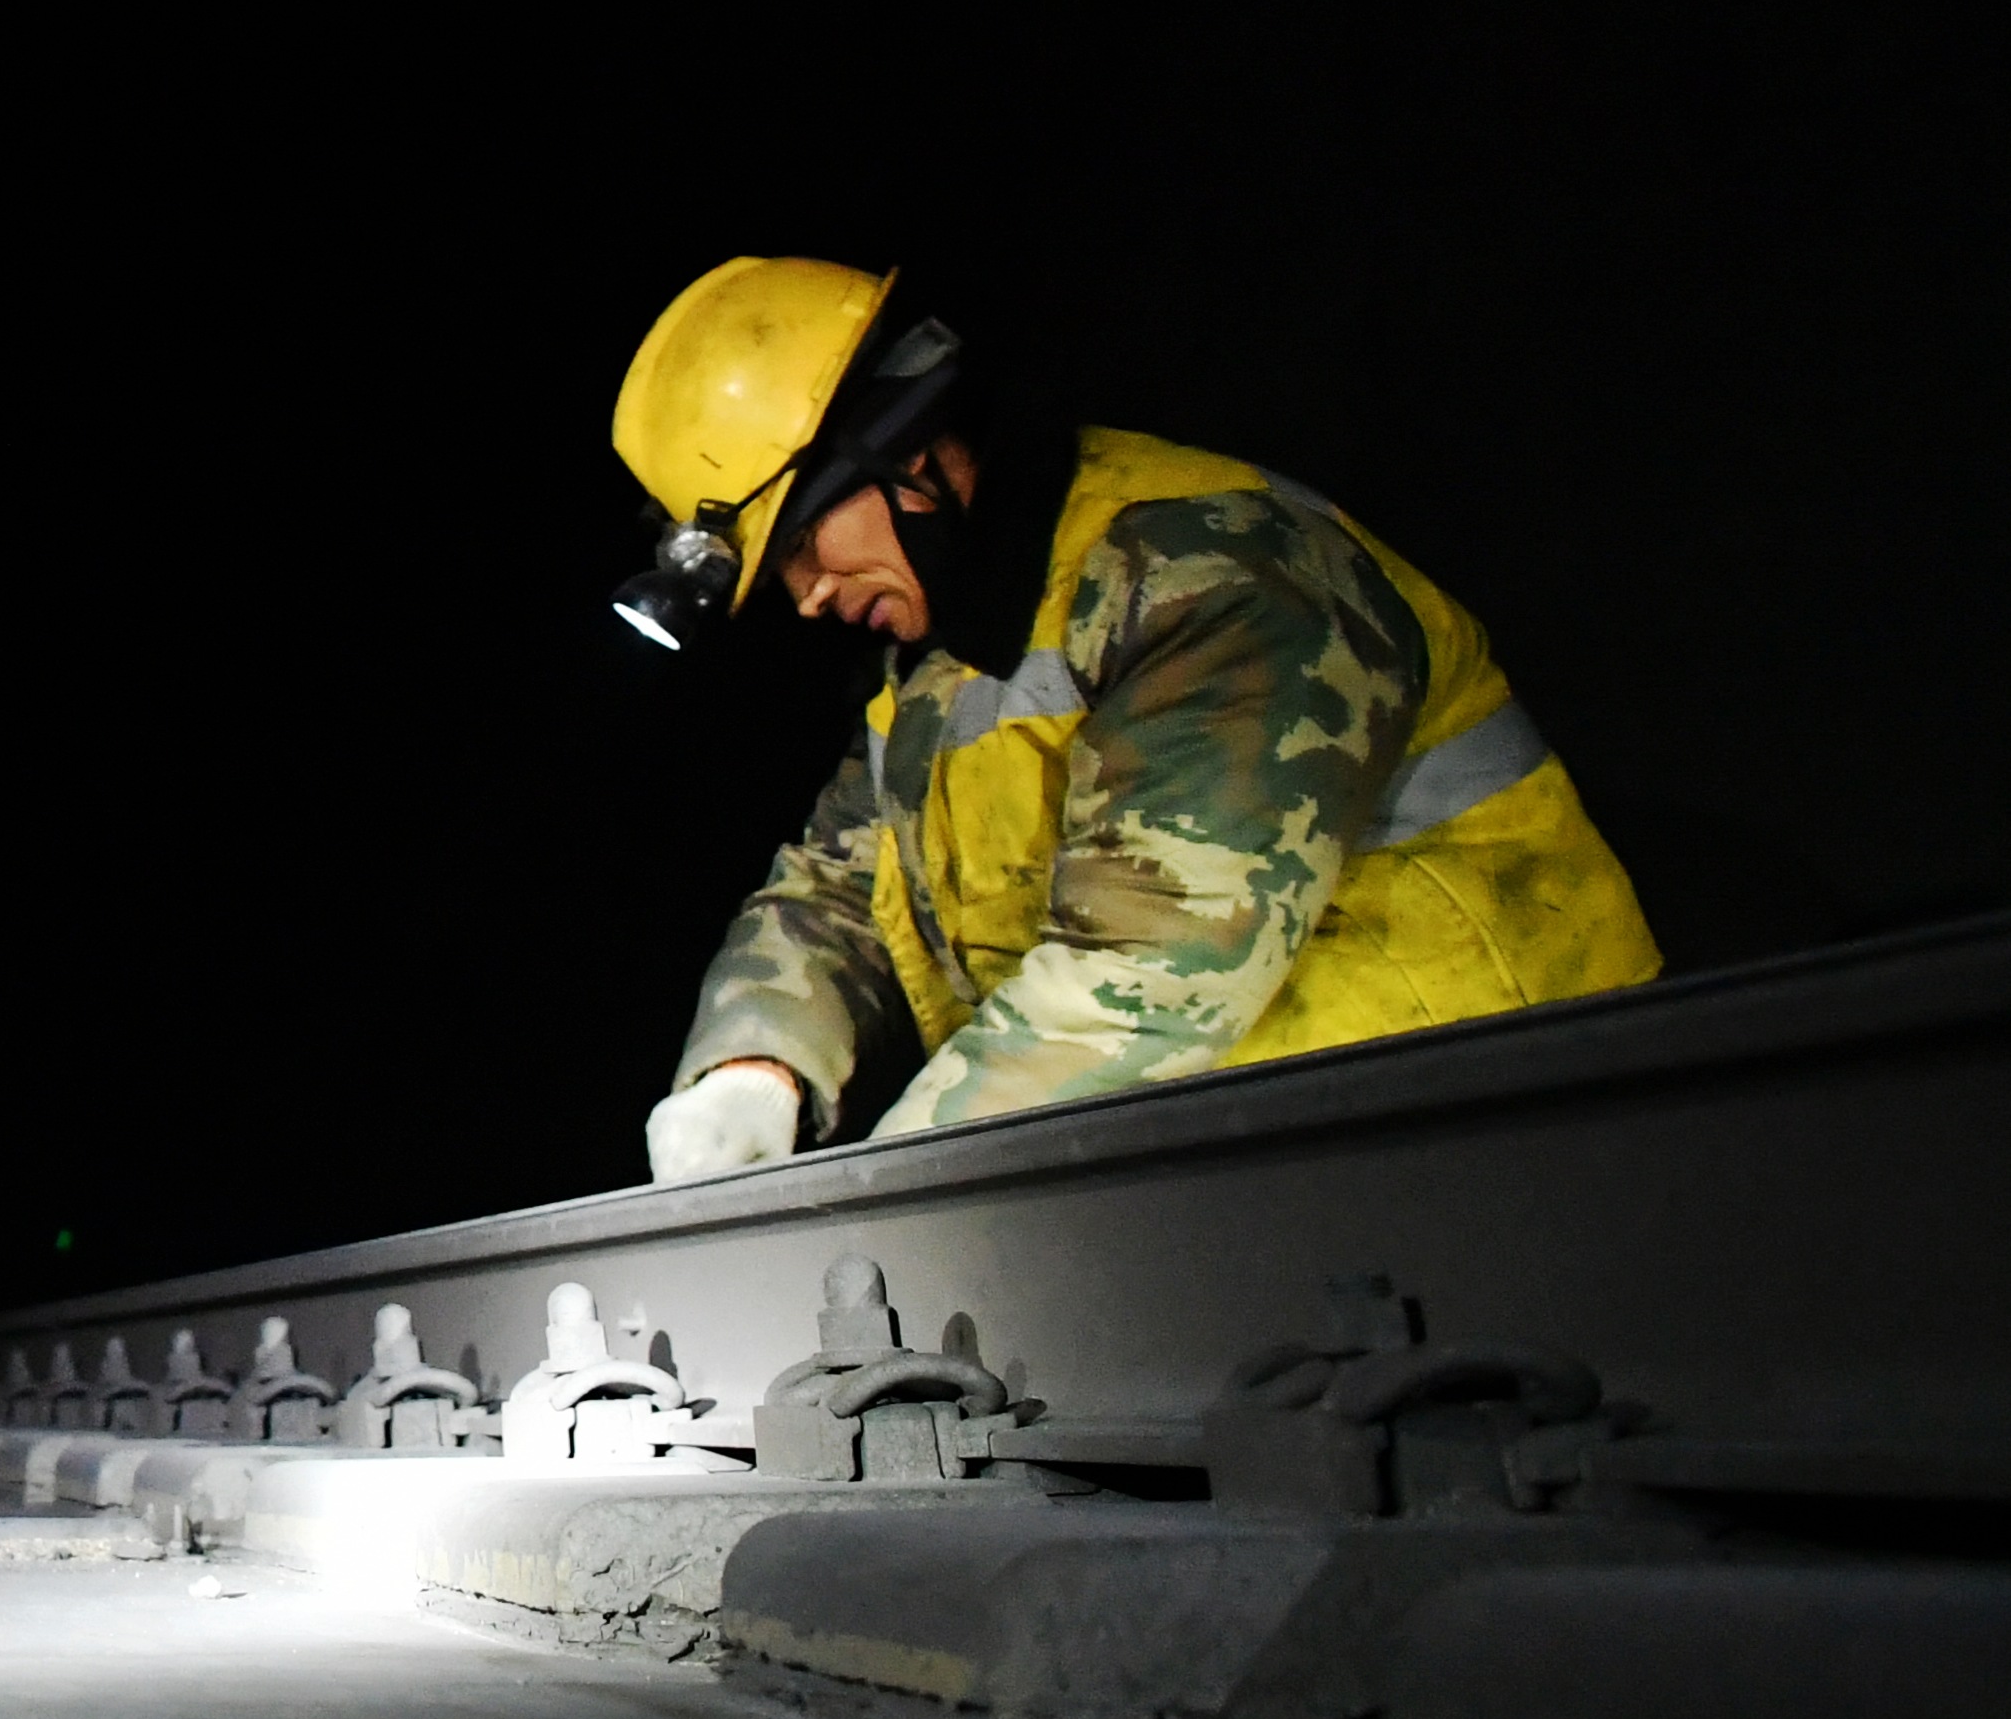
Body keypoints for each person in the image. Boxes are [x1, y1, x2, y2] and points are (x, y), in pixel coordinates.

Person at [610, 258, 1656, 1180]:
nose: (805, 596)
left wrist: (890, 1203)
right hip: (1293, 1163)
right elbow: (835, 892)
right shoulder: (939, 670)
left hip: (1526, 1127)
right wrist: (753, 1063)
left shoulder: (1213, 571)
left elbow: (1146, 972)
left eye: (802, 541)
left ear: (904, 449)